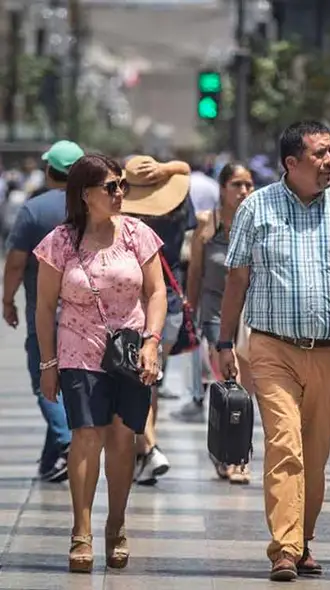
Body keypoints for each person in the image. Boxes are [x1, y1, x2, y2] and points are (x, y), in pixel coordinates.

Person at [217, 120, 330, 581]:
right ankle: (285, 549)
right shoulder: (257, 208)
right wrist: (225, 341)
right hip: (273, 350)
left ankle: (303, 539)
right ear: (291, 163)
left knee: (314, 455)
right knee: (284, 445)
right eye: (320, 154)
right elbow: (237, 279)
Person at [34, 154, 167, 573]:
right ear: (85, 194)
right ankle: (82, 531)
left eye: (122, 185)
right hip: (78, 351)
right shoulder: (59, 241)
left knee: (124, 438)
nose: (119, 193)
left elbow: (157, 292)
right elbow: (43, 305)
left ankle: (117, 525)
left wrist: (152, 342)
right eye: (111, 187)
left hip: (130, 355)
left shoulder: (138, 234)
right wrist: (48, 363)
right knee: (85, 436)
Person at [3, 140, 84, 483]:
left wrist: (7, 300)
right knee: (68, 383)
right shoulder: (92, 206)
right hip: (87, 317)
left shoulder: (34, 210)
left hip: (45, 314)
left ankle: (66, 443)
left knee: (44, 383)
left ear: (50, 171)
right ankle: (51, 461)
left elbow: (16, 263)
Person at [119, 155, 196, 485]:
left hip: (137, 302)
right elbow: (187, 172)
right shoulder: (179, 206)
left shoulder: (127, 216)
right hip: (173, 302)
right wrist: (170, 170)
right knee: (152, 377)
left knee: (137, 379)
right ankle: (145, 452)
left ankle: (148, 448)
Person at [181, 161, 254, 484]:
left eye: (248, 185)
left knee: (245, 389)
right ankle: (228, 454)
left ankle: (237, 453)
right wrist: (190, 313)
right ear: (222, 188)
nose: (243, 191)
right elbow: (195, 272)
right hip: (213, 314)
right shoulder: (206, 224)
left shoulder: (255, 223)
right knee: (229, 377)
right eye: (237, 184)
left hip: (249, 314)